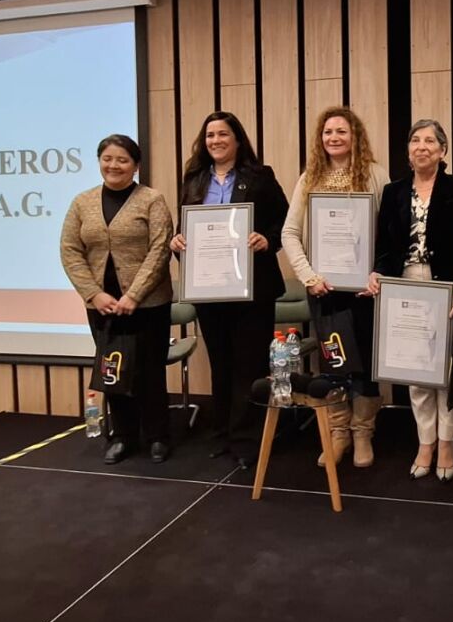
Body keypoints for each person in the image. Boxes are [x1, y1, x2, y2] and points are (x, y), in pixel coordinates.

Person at [171, 112, 289, 469]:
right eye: (210, 135)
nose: (216, 140)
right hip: (210, 288)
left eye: (223, 134)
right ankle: (221, 433)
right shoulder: (194, 178)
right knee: (220, 363)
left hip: (252, 289)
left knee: (249, 365)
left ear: (238, 139)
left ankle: (247, 439)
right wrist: (177, 242)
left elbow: (285, 219)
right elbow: (185, 227)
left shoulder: (259, 176)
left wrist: (266, 239)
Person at [368, 120, 453, 481]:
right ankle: (425, 440)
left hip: (446, 284)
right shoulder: (394, 190)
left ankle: (447, 440)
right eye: (415, 140)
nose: (422, 146)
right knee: (416, 369)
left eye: (430, 140)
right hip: (405, 284)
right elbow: (384, 244)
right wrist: (378, 273)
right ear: (408, 151)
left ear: (443, 150)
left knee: (444, 369)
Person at [282, 108, 390, 467]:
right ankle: (338, 432)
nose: (333, 137)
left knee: (366, 366)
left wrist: (375, 273)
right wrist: (309, 276)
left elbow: (388, 235)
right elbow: (290, 234)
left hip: (365, 291)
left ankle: (363, 432)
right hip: (323, 291)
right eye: (327, 132)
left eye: (341, 131)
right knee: (334, 364)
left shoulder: (375, 175)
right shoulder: (308, 178)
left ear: (354, 135)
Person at [60, 134, 175, 464]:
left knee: (150, 371)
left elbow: (159, 249)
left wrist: (134, 295)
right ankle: (123, 436)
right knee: (112, 371)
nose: (114, 165)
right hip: (102, 306)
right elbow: (70, 250)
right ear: (99, 162)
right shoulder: (82, 203)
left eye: (122, 160)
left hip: (149, 304)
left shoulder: (151, 200)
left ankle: (158, 436)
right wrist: (94, 294)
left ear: (136, 166)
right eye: (107, 158)